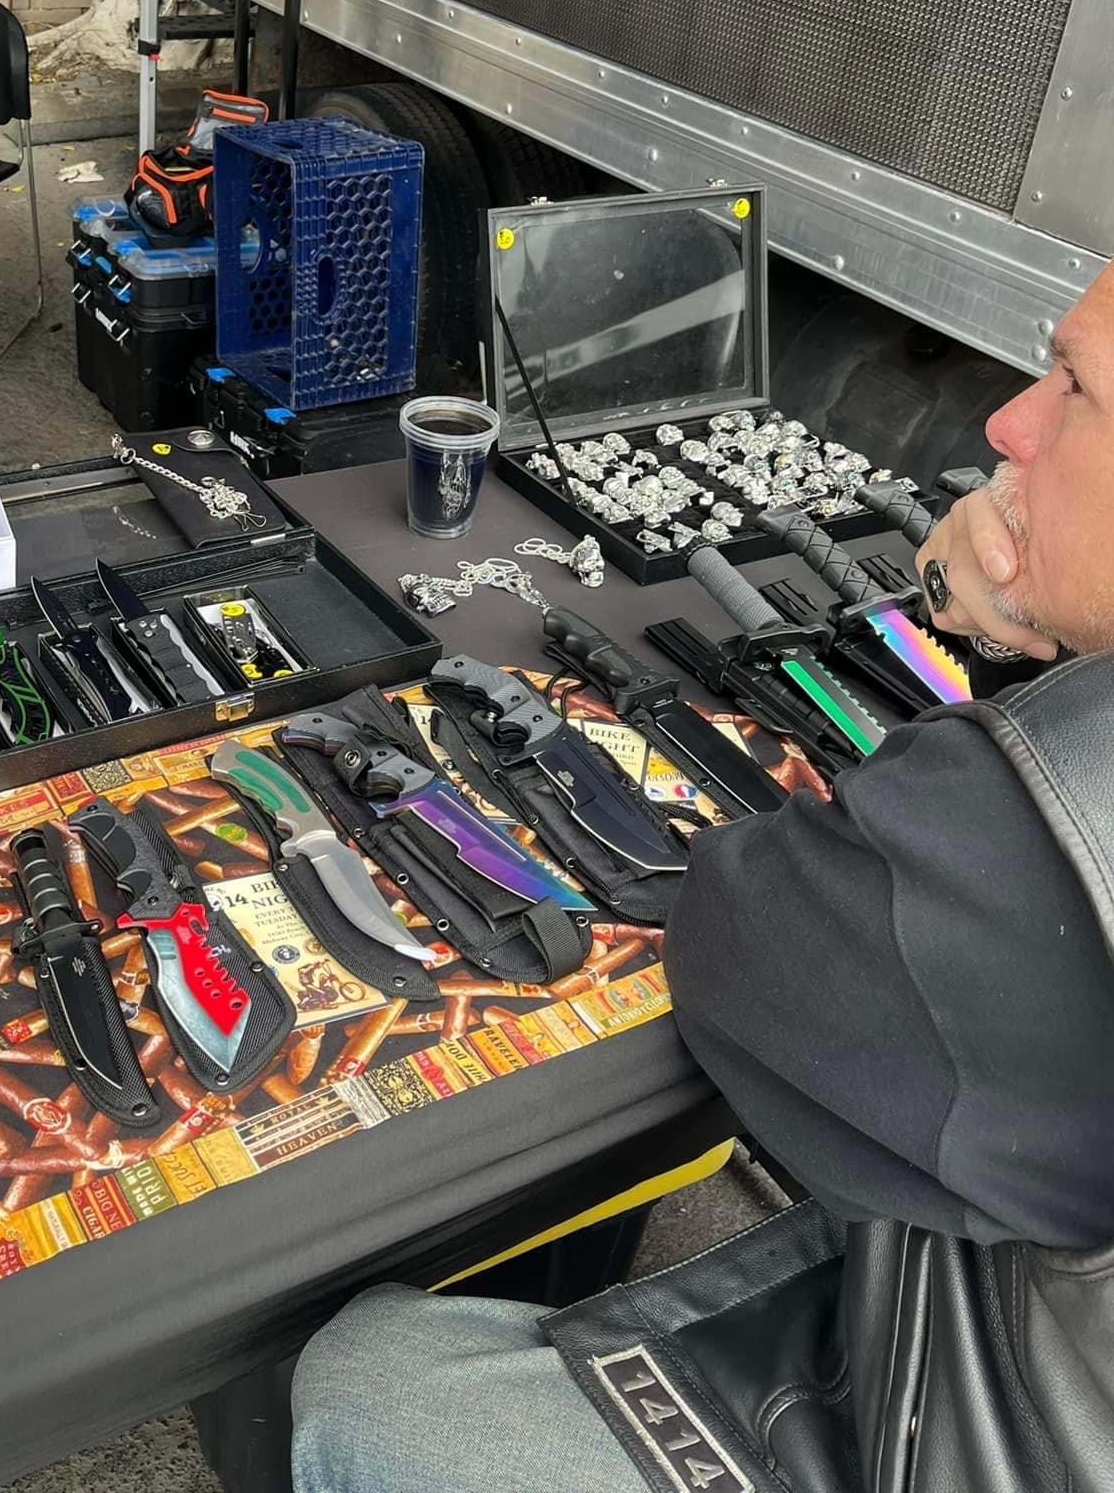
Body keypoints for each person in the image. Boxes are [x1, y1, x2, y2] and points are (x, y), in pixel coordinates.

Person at [292, 265, 1114, 1493]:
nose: (1009, 422)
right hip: (1040, 1326)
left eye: (1077, 388)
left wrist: (1000, 634)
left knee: (368, 1379)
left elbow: (741, 938)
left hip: (993, 1429)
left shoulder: (1041, 827)